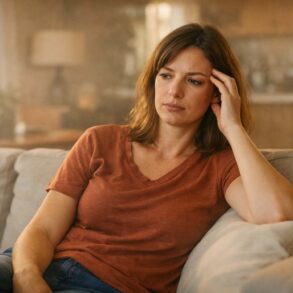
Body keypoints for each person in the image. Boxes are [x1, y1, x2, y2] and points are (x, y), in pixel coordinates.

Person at [1, 23, 293, 293]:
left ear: (218, 93)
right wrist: (27, 278)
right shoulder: (99, 141)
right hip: (31, 268)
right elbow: (41, 230)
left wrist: (233, 127)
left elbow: (277, 213)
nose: (174, 91)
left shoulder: (220, 165)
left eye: (193, 81)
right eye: (166, 75)